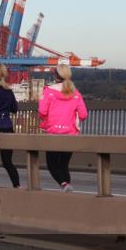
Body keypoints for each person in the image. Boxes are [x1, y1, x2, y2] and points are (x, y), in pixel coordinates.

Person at [38, 63, 88, 192]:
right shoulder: (76, 93)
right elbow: (83, 115)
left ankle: (64, 185)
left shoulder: (48, 91)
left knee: (52, 164)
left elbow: (42, 111)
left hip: (53, 133)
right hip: (70, 134)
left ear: (55, 75)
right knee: (64, 165)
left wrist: (49, 118)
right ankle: (67, 190)